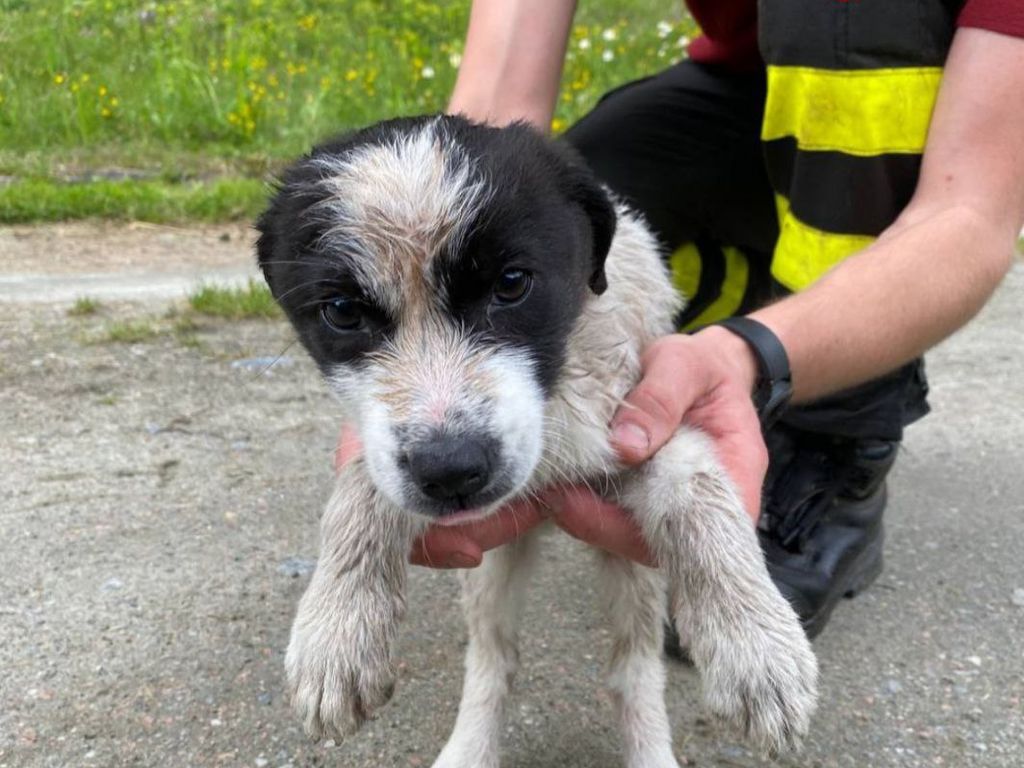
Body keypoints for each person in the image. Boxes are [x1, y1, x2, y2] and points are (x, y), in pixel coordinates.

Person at [339, 0, 1024, 641]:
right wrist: (398, 347)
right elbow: (493, 126)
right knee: (560, 205)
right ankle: (752, 306)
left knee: (842, 17)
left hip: (934, 92)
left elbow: (967, 215)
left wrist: (748, 354)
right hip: (748, 81)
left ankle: (838, 435)